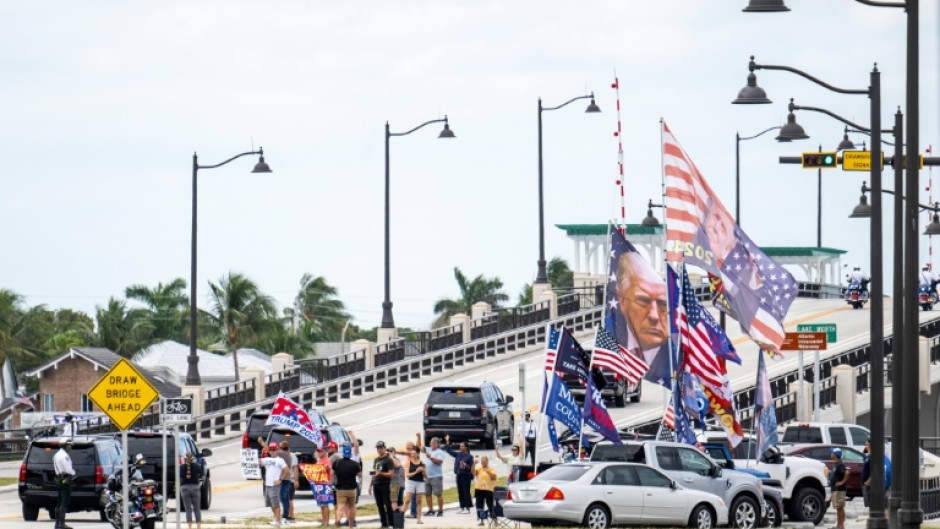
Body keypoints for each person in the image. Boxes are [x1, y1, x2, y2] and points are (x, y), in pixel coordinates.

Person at [606, 249, 670, 383]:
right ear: (622, 301)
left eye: (662, 304)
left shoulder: (674, 356)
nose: (654, 315)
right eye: (643, 301)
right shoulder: (612, 337)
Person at [443, 435, 474, 514]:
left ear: (466, 447)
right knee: (460, 491)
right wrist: (447, 442)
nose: (460, 447)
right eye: (460, 446)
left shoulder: (469, 456)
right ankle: (462, 507)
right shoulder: (458, 454)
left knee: (466, 491)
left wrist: (465, 465)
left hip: (466, 476)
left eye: (462, 446)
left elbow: (471, 467)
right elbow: (449, 451)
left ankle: (467, 508)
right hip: (459, 475)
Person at [333, 444, 361, 529]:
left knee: (340, 506)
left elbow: (332, 473)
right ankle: (350, 525)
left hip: (341, 488)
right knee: (352, 506)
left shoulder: (337, 463)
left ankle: (338, 520)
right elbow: (360, 475)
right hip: (352, 488)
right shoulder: (355, 464)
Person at [260, 444, 289, 527]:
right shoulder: (267, 459)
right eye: (271, 449)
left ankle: (278, 520)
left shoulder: (280, 460)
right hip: (267, 484)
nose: (272, 451)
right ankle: (277, 518)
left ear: (277, 450)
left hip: (274, 484)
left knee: (275, 504)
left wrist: (280, 479)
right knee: (270, 504)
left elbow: (287, 471)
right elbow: (257, 461)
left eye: (274, 449)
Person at [370, 441, 395, 529]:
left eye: (381, 448)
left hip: (385, 484)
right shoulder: (376, 459)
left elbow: (390, 473)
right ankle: (383, 523)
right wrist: (370, 485)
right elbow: (374, 473)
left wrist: (381, 474)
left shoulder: (388, 460)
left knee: (387, 504)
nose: (379, 450)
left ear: (384, 448)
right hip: (376, 484)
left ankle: (391, 523)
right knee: (379, 504)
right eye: (378, 448)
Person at [53, 437, 75, 529]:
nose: (70, 447)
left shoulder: (56, 455)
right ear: (65, 446)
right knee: (64, 502)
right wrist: (74, 473)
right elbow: (68, 469)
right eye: (69, 445)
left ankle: (57, 524)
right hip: (65, 479)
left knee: (59, 502)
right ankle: (61, 524)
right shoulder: (64, 456)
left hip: (58, 478)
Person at [179, 450, 203, 529]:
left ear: (185, 459)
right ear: (192, 459)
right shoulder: (197, 466)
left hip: (184, 488)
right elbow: (201, 476)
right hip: (195, 488)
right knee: (197, 509)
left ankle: (189, 527)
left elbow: (179, 477)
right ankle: (198, 527)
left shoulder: (181, 467)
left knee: (188, 509)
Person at [422, 437, 445, 517]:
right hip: (427, 476)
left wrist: (430, 457)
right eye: (431, 442)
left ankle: (440, 510)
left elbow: (439, 462)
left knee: (438, 493)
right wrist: (418, 437)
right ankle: (431, 510)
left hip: (436, 476)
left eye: (434, 443)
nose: (431, 444)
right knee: (427, 494)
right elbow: (418, 447)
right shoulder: (428, 450)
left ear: (438, 444)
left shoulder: (440, 452)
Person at [403, 447, 426, 524]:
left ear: (418, 454)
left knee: (419, 501)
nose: (412, 455)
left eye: (414, 453)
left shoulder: (422, 462)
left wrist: (423, 471)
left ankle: (418, 519)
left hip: (420, 482)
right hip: (411, 482)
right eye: (411, 453)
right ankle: (400, 516)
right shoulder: (408, 463)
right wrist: (416, 472)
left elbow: (426, 476)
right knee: (407, 500)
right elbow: (407, 475)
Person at [311, 445, 334, 526]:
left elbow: (328, 469)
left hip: (324, 485)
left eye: (320, 451)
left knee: (324, 504)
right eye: (318, 451)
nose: (319, 452)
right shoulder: (319, 460)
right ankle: (324, 521)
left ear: (324, 451)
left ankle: (326, 522)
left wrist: (326, 468)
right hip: (318, 485)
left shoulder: (327, 460)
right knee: (321, 504)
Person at [472, 455, 497, 526]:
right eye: (482, 461)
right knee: (479, 506)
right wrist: (474, 464)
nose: (483, 463)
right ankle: (481, 521)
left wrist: (488, 472)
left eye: (484, 461)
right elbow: (473, 473)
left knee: (490, 505)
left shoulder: (491, 469)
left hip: (488, 489)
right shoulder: (479, 468)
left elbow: (494, 477)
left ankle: (495, 520)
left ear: (487, 461)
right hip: (479, 489)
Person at [277, 441, 298, 524]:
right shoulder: (283, 455)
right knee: (286, 499)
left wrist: (296, 480)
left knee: (288, 499)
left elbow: (295, 468)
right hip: (285, 479)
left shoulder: (290, 455)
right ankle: (288, 516)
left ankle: (290, 516)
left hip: (289, 479)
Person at [830, 448, 850, 529]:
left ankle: (841, 525)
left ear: (835, 455)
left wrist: (842, 482)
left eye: (832, 453)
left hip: (839, 490)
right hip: (834, 489)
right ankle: (838, 524)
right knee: (838, 508)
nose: (831, 454)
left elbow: (847, 473)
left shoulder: (840, 464)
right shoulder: (836, 464)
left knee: (840, 508)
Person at [388, 446, 404, 513]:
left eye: (392, 451)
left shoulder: (396, 460)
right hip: (392, 483)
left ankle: (399, 515)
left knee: (399, 501)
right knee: (393, 500)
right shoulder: (387, 460)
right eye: (389, 451)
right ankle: (395, 514)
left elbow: (397, 465)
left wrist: (391, 456)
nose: (391, 453)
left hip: (398, 483)